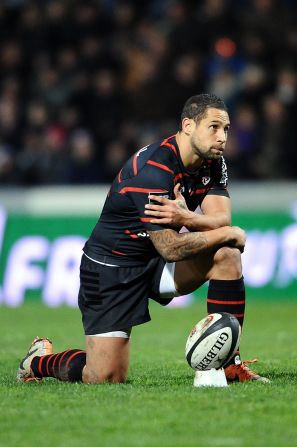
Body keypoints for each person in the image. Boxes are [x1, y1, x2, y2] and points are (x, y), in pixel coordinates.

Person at [17, 93, 270, 384]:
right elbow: (171, 247)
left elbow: (220, 219)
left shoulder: (213, 162)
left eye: (226, 129)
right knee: (104, 377)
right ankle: (38, 361)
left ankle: (229, 365)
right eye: (213, 127)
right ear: (188, 125)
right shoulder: (154, 170)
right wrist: (225, 232)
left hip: (156, 263)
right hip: (113, 269)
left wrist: (188, 219)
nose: (222, 136)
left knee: (227, 254)